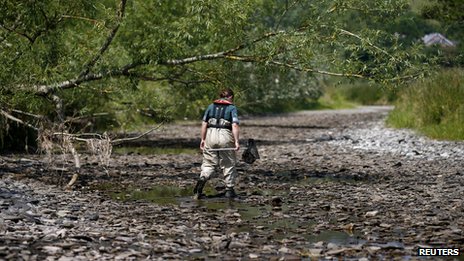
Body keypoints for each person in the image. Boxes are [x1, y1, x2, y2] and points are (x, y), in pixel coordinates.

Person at [193, 88, 240, 199]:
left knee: (209, 162)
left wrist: (203, 139)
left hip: (210, 135)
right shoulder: (232, 108)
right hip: (225, 135)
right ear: (230, 97)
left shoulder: (210, 107)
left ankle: (203, 177)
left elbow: (204, 123)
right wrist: (237, 141)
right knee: (228, 162)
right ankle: (229, 189)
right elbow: (234, 125)